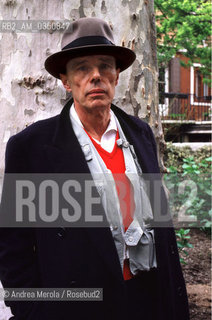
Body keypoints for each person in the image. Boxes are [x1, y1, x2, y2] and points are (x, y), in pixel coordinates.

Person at [0, 17, 189, 320]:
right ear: (65, 79)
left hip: (150, 299)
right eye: (82, 68)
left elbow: (161, 230)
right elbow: (13, 250)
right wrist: (32, 312)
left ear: (117, 75)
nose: (96, 76)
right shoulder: (31, 148)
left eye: (105, 66)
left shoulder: (140, 134)